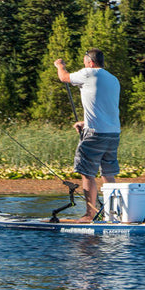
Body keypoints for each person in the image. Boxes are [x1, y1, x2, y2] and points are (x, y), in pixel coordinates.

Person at [54, 48, 121, 223]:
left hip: (95, 134)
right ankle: (113, 212)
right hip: (113, 133)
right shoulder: (113, 79)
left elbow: (64, 78)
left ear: (90, 62)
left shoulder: (88, 73)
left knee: (87, 172)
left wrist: (60, 65)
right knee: (108, 174)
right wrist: (85, 123)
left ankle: (89, 214)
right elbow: (104, 106)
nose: (84, 64)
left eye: (85, 61)